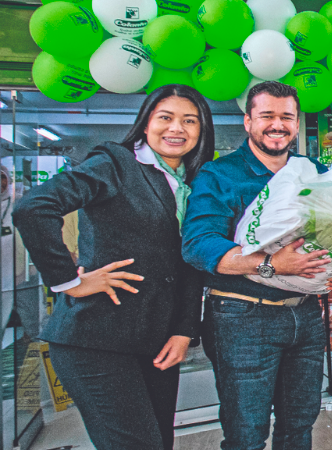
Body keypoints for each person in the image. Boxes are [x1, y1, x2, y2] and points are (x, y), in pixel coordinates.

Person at [13, 85, 212, 450]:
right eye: (165, 117)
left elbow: (189, 264)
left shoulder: (190, 182)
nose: (177, 129)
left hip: (157, 342)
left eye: (189, 120)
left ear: (202, 130)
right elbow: (34, 209)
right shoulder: (116, 162)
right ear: (146, 122)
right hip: (95, 338)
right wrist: (68, 282)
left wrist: (185, 330)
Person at [182, 81, 332, 450]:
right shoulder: (220, 175)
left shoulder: (311, 171)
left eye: (287, 117)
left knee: (300, 424)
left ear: (296, 124)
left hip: (306, 315)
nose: (277, 125)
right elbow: (198, 245)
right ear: (248, 122)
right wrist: (271, 265)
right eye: (267, 116)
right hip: (242, 318)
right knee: (246, 433)